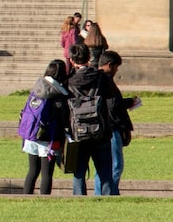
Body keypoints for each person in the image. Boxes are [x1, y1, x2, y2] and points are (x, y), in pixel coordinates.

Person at [66, 43, 114, 196]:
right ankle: (107, 200)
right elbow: (112, 102)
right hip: (101, 130)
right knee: (105, 171)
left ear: (72, 60)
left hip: (78, 131)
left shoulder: (68, 81)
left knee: (79, 172)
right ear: (89, 57)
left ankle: (79, 199)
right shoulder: (101, 77)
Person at [20, 60, 70, 195]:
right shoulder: (59, 94)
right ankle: (45, 199)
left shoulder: (37, 88)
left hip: (32, 134)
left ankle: (26, 196)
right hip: (49, 137)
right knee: (47, 173)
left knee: (32, 171)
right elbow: (64, 118)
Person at [92, 50, 138, 196]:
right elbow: (112, 104)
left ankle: (107, 192)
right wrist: (129, 102)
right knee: (115, 165)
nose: (116, 71)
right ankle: (108, 193)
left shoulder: (95, 78)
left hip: (103, 126)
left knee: (105, 166)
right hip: (111, 127)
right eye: (116, 67)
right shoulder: (105, 79)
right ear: (109, 65)